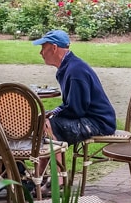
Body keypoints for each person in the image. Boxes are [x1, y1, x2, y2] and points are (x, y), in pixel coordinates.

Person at [33, 29, 117, 190]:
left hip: (98, 122)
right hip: (89, 117)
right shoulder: (69, 67)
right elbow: (70, 104)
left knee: (49, 126)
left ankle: (57, 182)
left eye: (43, 47)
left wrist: (54, 117)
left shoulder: (75, 71)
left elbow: (76, 109)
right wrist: (54, 112)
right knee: (44, 122)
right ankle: (40, 177)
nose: (40, 52)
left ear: (54, 48)